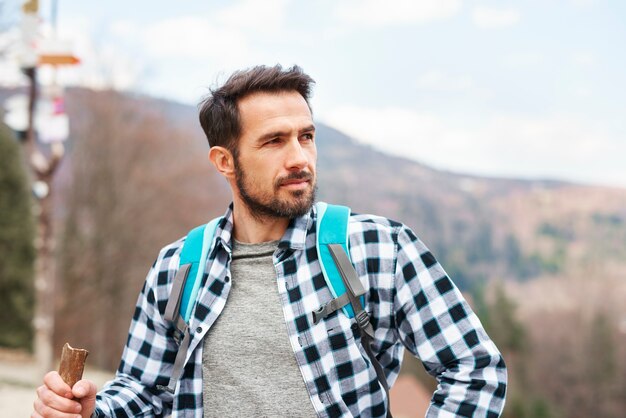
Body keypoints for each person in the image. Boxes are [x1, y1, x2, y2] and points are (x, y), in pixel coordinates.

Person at [32, 65, 507, 418]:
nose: (299, 158)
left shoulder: (378, 248)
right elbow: (146, 389)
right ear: (224, 161)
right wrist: (90, 410)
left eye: (306, 136)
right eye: (274, 141)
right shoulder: (178, 266)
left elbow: (475, 368)